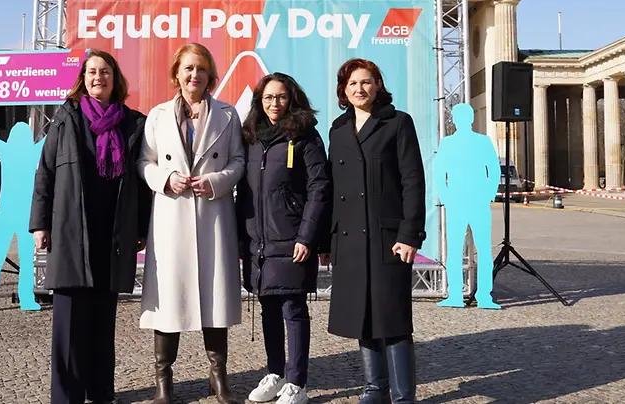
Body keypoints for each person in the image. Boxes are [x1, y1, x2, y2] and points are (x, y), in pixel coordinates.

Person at [31, 50, 152, 404]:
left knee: (103, 323)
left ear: (116, 79)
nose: (98, 77)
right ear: (83, 78)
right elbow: (46, 173)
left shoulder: (132, 122)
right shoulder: (66, 118)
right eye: (92, 71)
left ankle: (101, 393)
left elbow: (142, 185)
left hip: (112, 232)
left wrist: (140, 227)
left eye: (105, 71)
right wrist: (40, 223)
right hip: (71, 231)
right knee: (68, 324)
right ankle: (65, 397)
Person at [137, 43, 245, 404]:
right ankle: (163, 382)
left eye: (200, 68)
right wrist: (165, 178)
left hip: (212, 215)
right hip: (172, 217)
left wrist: (216, 181)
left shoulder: (228, 115)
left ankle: (218, 376)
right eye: (187, 68)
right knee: (168, 300)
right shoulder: (157, 115)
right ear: (176, 74)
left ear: (210, 74)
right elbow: (144, 162)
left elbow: (239, 163)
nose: (194, 75)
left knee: (214, 298)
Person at [323, 58, 426, 404]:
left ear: (378, 85)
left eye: (366, 82)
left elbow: (413, 181)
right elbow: (330, 189)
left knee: (393, 318)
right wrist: (326, 239)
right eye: (352, 84)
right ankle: (374, 388)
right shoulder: (337, 129)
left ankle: (403, 396)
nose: (360, 89)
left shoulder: (397, 123)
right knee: (361, 316)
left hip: (388, 240)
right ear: (344, 90)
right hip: (349, 240)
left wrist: (410, 235)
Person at [237, 73, 330, 404]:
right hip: (257, 242)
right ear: (259, 102)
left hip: (292, 239)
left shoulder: (305, 137)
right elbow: (243, 193)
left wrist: (308, 236)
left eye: (280, 97)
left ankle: (297, 383)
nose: (274, 104)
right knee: (267, 308)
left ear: (291, 99)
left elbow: (319, 187)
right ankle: (274, 373)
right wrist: (240, 239)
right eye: (267, 98)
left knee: (293, 308)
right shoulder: (249, 138)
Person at [0, 107, 44, 313]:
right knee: (26, 259)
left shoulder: (5, 151)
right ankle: (26, 300)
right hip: (25, 214)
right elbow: (52, 134)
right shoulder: (32, 153)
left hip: (5, 214)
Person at [434, 103, 500, 310]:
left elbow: (494, 170)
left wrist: (488, 194)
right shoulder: (449, 143)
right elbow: (439, 172)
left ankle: (481, 296)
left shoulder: (481, 142)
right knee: (457, 250)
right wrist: (446, 196)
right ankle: (461, 295)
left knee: (473, 249)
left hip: (472, 201)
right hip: (460, 201)